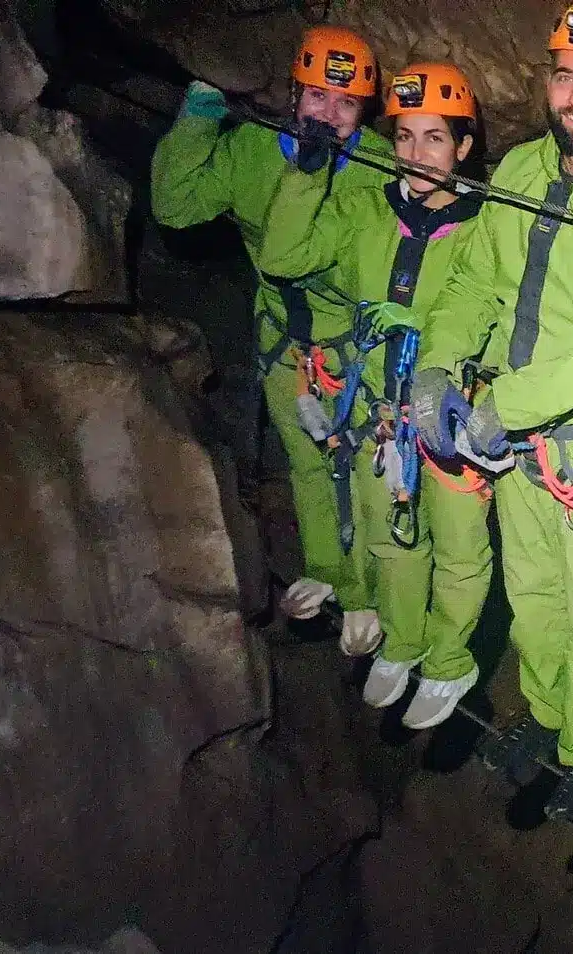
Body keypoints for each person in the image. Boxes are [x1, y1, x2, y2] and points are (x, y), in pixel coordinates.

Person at [409, 0, 573, 821]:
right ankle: (553, 716)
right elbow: (476, 285)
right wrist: (438, 367)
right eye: (566, 76)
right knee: (531, 596)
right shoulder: (523, 171)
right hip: (511, 441)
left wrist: (514, 401)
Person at [257, 62, 493, 729]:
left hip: (448, 413)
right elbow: (282, 258)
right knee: (392, 534)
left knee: (457, 547)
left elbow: (503, 317)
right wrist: (304, 176)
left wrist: (438, 338)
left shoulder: (488, 227)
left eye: (436, 139)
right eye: (406, 138)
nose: (417, 155)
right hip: (377, 412)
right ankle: (403, 640)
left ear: (464, 147)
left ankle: (449, 659)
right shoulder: (365, 210)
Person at [151, 25, 392, 653]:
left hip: (355, 347)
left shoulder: (383, 175)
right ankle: (327, 570)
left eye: (346, 105)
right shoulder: (254, 152)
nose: (329, 115)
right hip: (284, 341)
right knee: (308, 464)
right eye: (317, 97)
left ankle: (371, 597)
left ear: (364, 112)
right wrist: (200, 114)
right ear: (295, 94)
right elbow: (175, 205)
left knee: (362, 470)